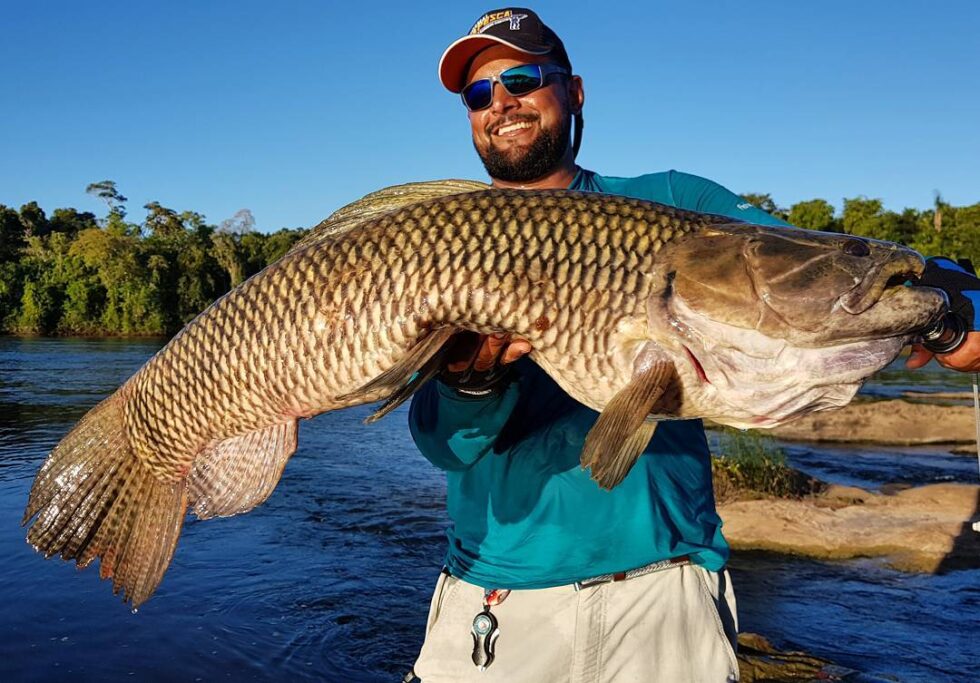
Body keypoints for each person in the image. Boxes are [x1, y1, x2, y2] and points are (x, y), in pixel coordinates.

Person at [402, 8, 980, 682]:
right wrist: (472, 383)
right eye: (479, 93)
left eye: (523, 79)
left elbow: (808, 268)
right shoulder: (439, 247)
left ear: (575, 90)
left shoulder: (677, 206)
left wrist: (948, 309)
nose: (501, 102)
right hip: (496, 602)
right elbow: (448, 446)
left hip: (665, 596)